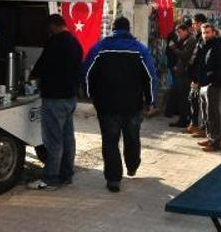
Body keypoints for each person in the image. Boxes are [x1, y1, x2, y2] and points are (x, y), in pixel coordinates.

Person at [83, 17, 157, 192]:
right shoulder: (140, 50)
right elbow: (151, 77)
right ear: (128, 29)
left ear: (112, 29)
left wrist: (91, 95)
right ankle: (132, 166)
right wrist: (151, 100)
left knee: (110, 141)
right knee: (132, 137)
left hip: (106, 105)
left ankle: (114, 179)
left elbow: (86, 73)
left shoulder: (99, 48)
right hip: (133, 105)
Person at [27, 14, 83, 190]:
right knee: (68, 138)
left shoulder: (54, 43)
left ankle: (51, 178)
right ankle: (67, 175)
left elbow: (41, 66)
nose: (47, 32)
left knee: (53, 140)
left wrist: (30, 78)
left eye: (48, 28)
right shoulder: (75, 42)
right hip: (70, 98)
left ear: (53, 26)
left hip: (54, 99)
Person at [195, 23, 221, 152]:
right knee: (205, 113)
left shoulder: (218, 45)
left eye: (208, 32)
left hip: (213, 84)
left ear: (213, 33)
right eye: (203, 33)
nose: (205, 35)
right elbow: (200, 65)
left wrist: (215, 82)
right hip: (204, 83)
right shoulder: (203, 45)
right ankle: (210, 138)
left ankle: (216, 143)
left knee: (213, 113)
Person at [167, 23, 197, 128]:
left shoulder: (191, 40)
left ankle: (184, 120)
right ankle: (184, 118)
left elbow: (185, 55)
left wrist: (173, 48)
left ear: (185, 31)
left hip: (186, 73)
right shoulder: (185, 40)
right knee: (182, 96)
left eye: (180, 32)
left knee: (184, 97)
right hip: (182, 71)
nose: (179, 35)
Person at [185, 13, 208, 136]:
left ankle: (203, 128)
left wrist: (197, 77)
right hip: (195, 76)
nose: (193, 26)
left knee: (203, 104)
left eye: (194, 23)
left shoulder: (204, 39)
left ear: (200, 23)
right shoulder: (198, 37)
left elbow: (201, 60)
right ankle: (194, 124)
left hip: (200, 77)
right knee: (193, 99)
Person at [163, 29, 180, 118]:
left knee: (175, 88)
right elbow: (173, 54)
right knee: (174, 88)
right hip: (174, 67)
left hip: (173, 66)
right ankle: (170, 110)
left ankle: (173, 110)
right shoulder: (172, 41)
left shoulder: (172, 40)